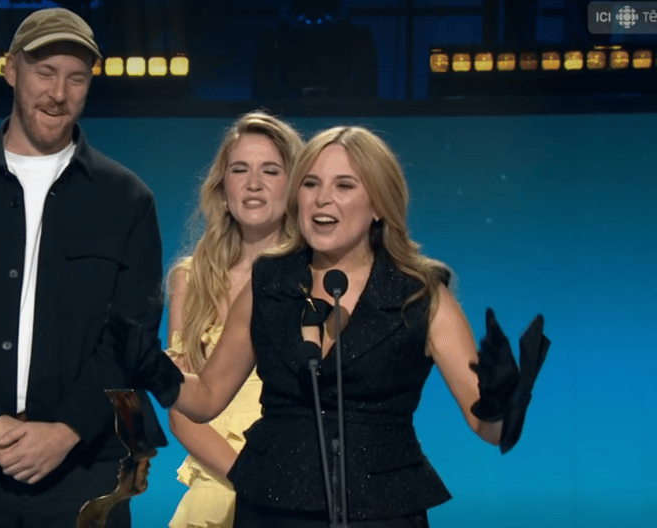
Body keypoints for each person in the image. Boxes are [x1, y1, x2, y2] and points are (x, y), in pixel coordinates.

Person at [129, 126, 548, 527]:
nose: (321, 199)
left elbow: (489, 430)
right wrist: (152, 366)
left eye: (344, 186)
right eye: (310, 184)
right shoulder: (269, 285)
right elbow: (204, 399)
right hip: (271, 507)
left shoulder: (421, 296)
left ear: (379, 204)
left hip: (381, 510)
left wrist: (503, 402)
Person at [0, 7, 163, 527]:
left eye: (76, 77)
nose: (58, 93)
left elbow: (130, 335)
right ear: (10, 70)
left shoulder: (127, 198)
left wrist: (64, 430)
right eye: (45, 73)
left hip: (85, 472)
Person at [165, 111, 303, 528]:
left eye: (271, 170)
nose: (254, 183)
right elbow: (181, 407)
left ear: (294, 186)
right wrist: (250, 478)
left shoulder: (317, 280)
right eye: (240, 169)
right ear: (223, 189)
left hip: (297, 487)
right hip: (217, 489)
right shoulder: (190, 280)